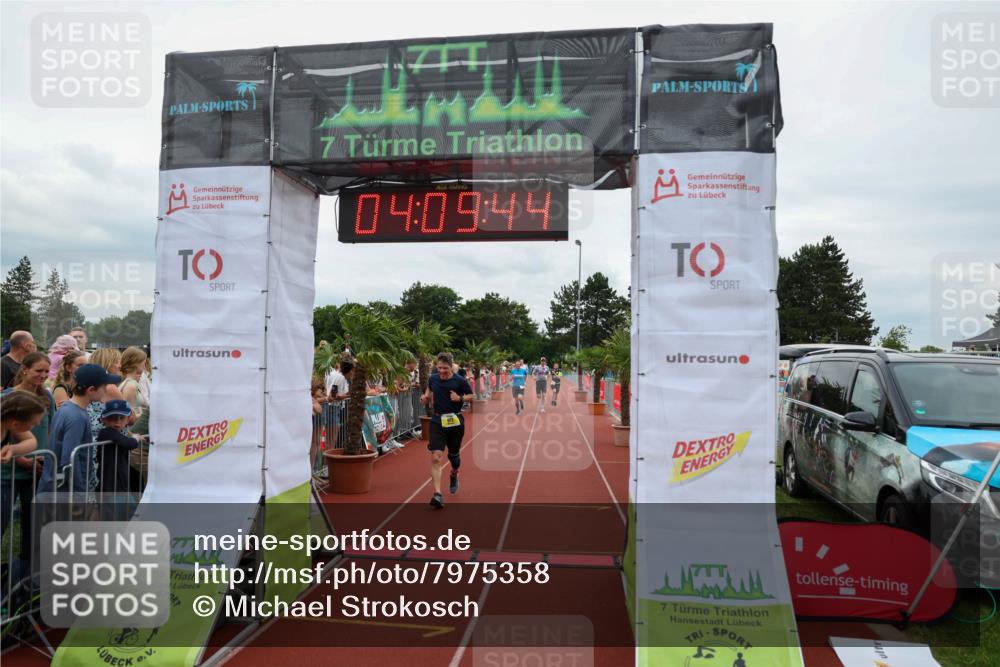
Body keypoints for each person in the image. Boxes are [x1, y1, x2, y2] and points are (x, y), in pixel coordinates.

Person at [40, 364, 120, 496]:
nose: (106, 389)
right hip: (66, 492)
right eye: (104, 386)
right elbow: (70, 459)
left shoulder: (67, 408)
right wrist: (79, 492)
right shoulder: (76, 416)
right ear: (91, 389)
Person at [1, 370, 51, 578]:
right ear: (15, 424)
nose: (36, 426)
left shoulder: (7, 422)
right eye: (32, 424)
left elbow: (31, 441)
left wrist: (13, 449)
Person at [420, 352, 473, 509]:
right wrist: (425, 397)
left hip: (455, 421)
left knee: (454, 457)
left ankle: (454, 473)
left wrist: (460, 398)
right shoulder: (433, 378)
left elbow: (472, 395)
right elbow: (429, 390)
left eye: (445, 368)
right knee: (436, 457)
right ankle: (437, 494)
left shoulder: (459, 380)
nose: (442, 371)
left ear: (451, 367)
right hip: (437, 421)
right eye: (439, 368)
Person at [96, 399, 142, 495]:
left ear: (128, 419)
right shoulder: (106, 433)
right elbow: (130, 444)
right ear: (104, 419)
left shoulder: (117, 434)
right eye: (112, 418)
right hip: (110, 484)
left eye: (121, 418)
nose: (117, 422)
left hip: (120, 480)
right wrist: (135, 438)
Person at [117, 347, 148, 432]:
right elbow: (128, 417)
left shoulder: (130, 383)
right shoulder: (131, 386)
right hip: (132, 432)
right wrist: (146, 415)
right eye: (143, 363)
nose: (145, 367)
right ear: (136, 364)